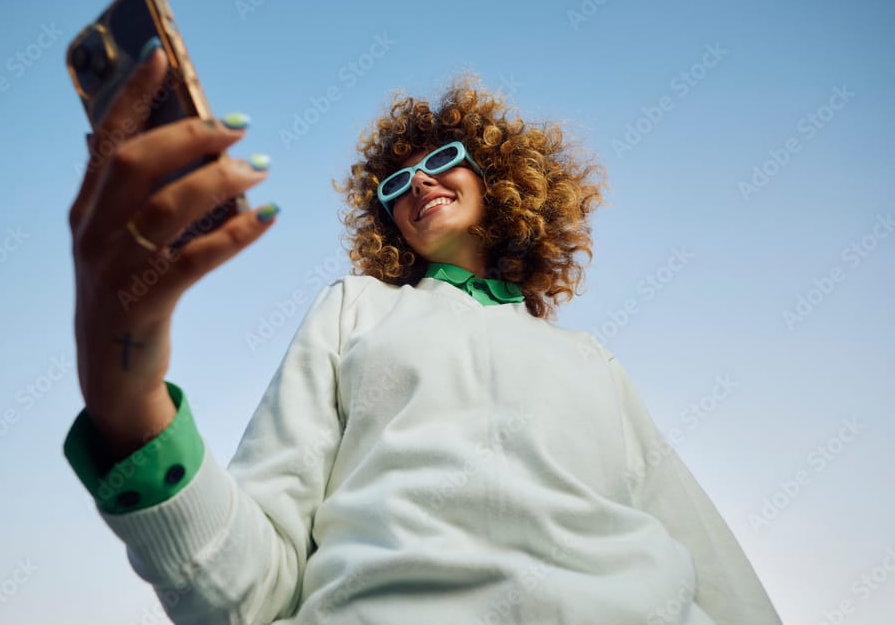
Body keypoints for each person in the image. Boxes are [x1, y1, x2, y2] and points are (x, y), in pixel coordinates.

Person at [63, 39, 783, 624]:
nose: (419, 185)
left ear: (498, 176)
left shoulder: (591, 359)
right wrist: (131, 409)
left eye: (442, 161)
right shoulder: (355, 308)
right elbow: (255, 586)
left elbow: (717, 573)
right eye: (395, 184)